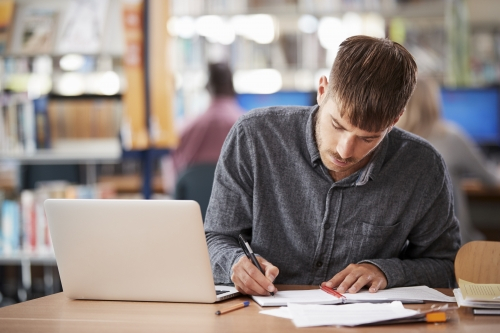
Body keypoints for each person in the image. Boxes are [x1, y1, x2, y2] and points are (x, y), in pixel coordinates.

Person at [205, 36, 461, 296]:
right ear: (322, 90)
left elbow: (444, 266)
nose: (344, 150)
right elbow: (215, 238)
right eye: (337, 125)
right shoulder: (254, 136)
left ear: (395, 120)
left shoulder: (422, 166)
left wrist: (386, 271)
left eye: (368, 138)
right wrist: (234, 264)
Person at [397, 78, 499, 244]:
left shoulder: (389, 142)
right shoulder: (451, 137)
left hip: (406, 250)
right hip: (454, 248)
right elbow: (491, 180)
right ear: (434, 102)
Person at [162, 63, 244, 195]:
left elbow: (172, 182)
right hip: (236, 212)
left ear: (208, 88)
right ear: (232, 88)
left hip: (192, 210)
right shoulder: (249, 129)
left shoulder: (186, 129)